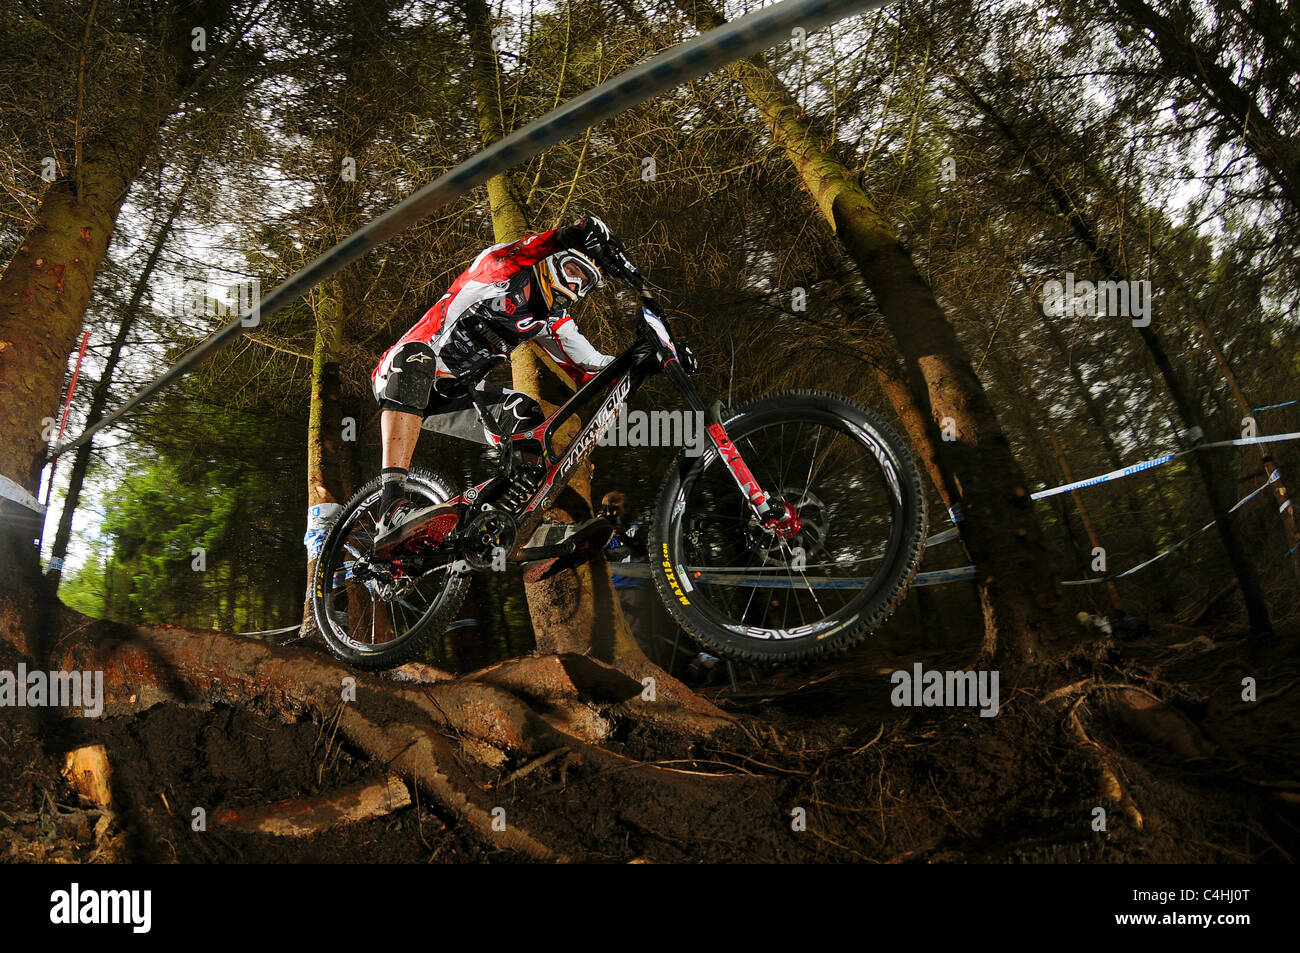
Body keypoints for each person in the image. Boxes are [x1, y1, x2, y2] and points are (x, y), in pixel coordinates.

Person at [370, 215, 617, 557]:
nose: (575, 286)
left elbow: (594, 367)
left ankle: (522, 530)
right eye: (574, 271)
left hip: (456, 396)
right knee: (417, 359)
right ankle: (390, 507)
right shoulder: (496, 273)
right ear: (551, 262)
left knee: (525, 414)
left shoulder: (552, 321)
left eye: (585, 283)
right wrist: (565, 235)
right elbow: (518, 254)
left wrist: (653, 354)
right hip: (402, 372)